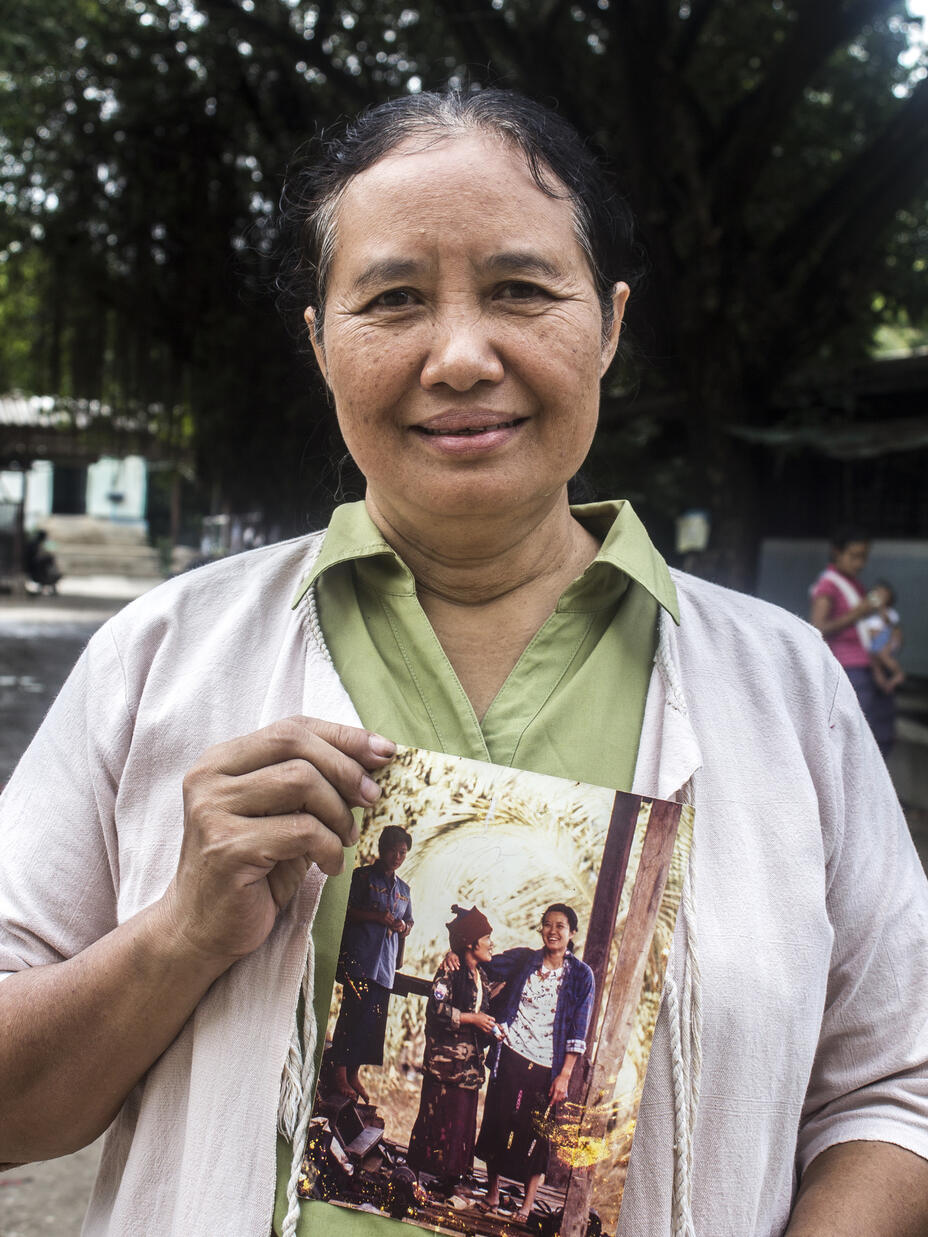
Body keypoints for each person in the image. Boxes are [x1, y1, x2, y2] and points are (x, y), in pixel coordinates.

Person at [0, 90, 927, 1237]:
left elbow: (898, 1088)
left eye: (521, 290)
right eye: (393, 299)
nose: (459, 356)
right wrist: (179, 932)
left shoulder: (785, 689)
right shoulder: (159, 661)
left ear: (609, 324)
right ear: (320, 342)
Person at [474, 903, 594, 1221]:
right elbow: (483, 962)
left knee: (537, 1136)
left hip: (546, 1067)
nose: (552, 931)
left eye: (560, 926)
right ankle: (492, 1194)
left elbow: (578, 1030)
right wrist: (456, 955)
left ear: (572, 933)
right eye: (547, 924)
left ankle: (527, 1206)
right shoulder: (524, 960)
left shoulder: (581, 976)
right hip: (511, 1053)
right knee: (498, 1121)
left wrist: (564, 1075)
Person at [405, 904, 496, 1194]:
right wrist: (472, 1019)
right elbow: (437, 1010)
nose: (491, 944)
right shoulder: (450, 972)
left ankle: (452, 1179)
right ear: (470, 943)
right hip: (445, 1066)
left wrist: (490, 1028)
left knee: (460, 1126)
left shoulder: (482, 977)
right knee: (435, 1119)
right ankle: (418, 1177)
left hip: (468, 1070)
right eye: (486, 938)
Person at [329, 825, 413, 1103]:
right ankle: (339, 1072)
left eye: (403, 852)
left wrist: (403, 927)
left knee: (370, 1022)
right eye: (393, 850)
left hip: (385, 966)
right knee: (352, 1014)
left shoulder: (404, 890)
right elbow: (346, 910)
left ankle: (354, 1074)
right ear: (382, 848)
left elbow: (409, 922)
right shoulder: (362, 877)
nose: (397, 857)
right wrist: (376, 917)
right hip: (361, 960)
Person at [809, 530, 896, 753]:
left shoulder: (854, 584)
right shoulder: (829, 585)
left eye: (864, 557)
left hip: (866, 665)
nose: (860, 563)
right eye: (854, 556)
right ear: (836, 552)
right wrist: (859, 612)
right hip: (848, 667)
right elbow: (817, 628)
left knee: (873, 732)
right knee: (852, 735)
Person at [860, 580, 905, 694]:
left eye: (883, 595)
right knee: (875, 665)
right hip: (873, 643)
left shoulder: (890, 612)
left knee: (884, 656)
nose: (879, 597)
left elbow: (890, 624)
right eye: (876, 594)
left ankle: (898, 673)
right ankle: (883, 684)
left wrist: (881, 608)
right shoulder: (869, 614)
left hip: (885, 640)